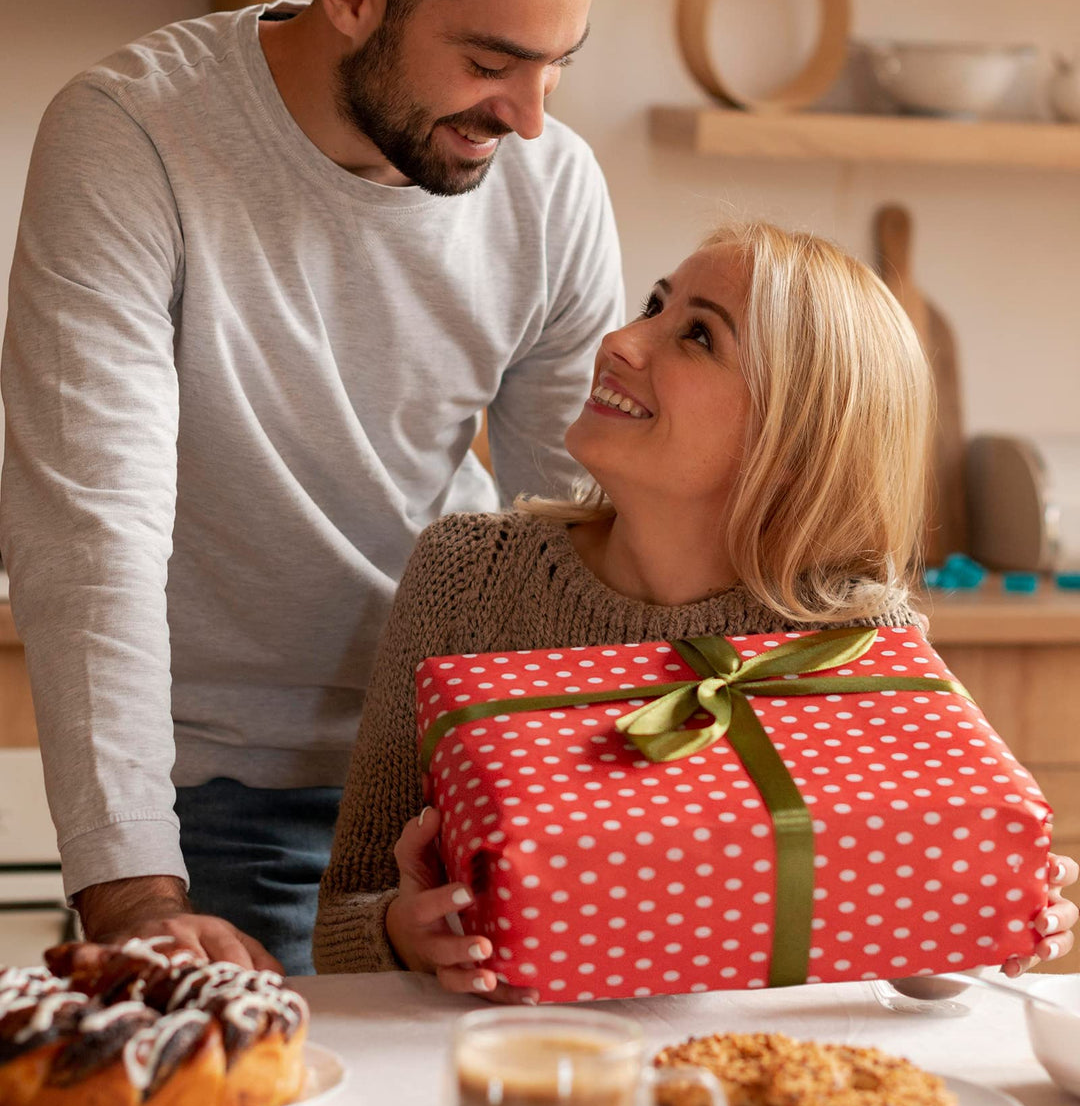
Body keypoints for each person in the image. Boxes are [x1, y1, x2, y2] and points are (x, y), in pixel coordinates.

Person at [0, 0, 623, 976]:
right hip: (219, 801)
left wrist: (588, 817)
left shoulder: (551, 184)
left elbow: (579, 536)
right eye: (495, 58)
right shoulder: (131, 137)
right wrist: (133, 891)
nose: (533, 118)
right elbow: (94, 529)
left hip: (455, 780)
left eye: (558, 63)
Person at [314, 221, 1079, 996]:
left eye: (699, 337)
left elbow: (911, 970)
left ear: (790, 445)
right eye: (654, 303)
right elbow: (344, 916)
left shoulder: (855, 641)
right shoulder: (467, 575)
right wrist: (401, 937)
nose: (621, 340)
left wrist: (991, 916)